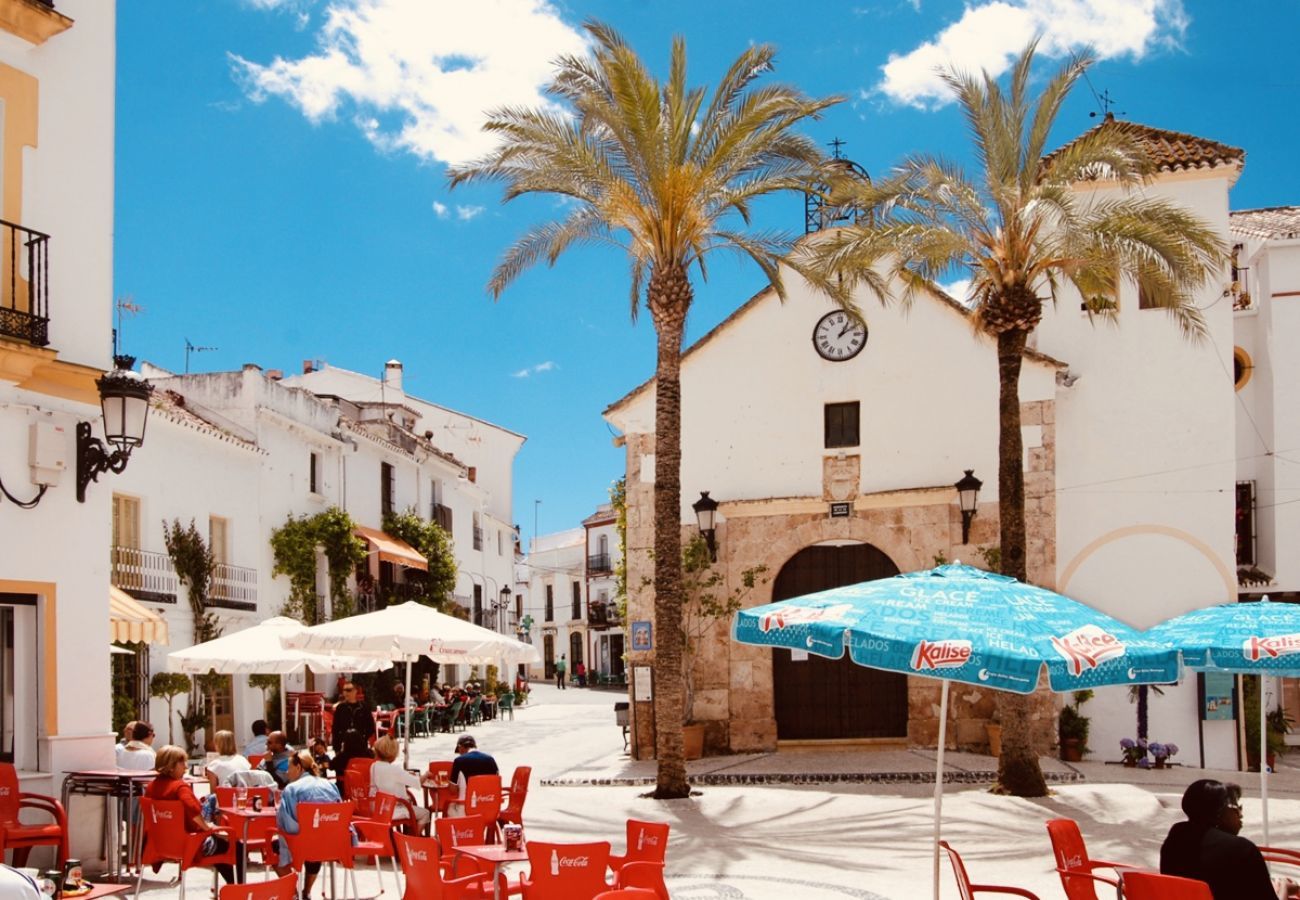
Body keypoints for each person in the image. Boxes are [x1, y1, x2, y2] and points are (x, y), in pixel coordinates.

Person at [1161, 778, 1298, 899]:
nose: (1241, 815)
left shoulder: (1175, 840)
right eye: (1237, 807)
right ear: (1221, 809)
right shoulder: (1241, 850)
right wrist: (1284, 888)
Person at [145, 745, 235, 885]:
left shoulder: (151, 787)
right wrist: (210, 829)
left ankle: (232, 889)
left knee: (220, 845)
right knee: (234, 844)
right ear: (171, 766)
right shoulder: (180, 788)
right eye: (182, 762)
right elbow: (193, 811)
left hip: (161, 845)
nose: (186, 767)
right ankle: (238, 890)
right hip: (190, 845)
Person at [272, 749, 342, 899]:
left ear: (298, 768)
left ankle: (293, 893)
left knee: (274, 847)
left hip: (303, 843)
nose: (286, 772)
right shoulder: (330, 785)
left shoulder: (291, 789)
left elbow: (289, 826)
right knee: (314, 844)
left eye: (289, 768)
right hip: (330, 843)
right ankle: (306, 892)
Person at [371, 735, 430, 832]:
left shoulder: (374, 766)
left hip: (379, 808)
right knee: (425, 813)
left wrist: (404, 775)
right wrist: (427, 774)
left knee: (411, 805)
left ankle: (406, 836)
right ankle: (413, 838)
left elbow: (387, 781)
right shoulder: (395, 770)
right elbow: (417, 782)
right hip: (395, 809)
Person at [330, 682, 375, 793]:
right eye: (344, 690)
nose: (346, 693)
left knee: (359, 773)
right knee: (341, 771)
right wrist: (336, 748)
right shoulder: (341, 708)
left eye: (349, 690)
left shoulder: (363, 707)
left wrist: (362, 738)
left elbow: (370, 727)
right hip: (344, 748)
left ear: (356, 691)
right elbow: (335, 728)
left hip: (360, 748)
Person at [446, 734, 499, 817]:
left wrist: (448, 781)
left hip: (465, 809)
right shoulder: (490, 760)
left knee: (449, 808)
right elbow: (497, 785)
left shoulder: (459, 761)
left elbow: (453, 790)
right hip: (489, 809)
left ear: (460, 747)